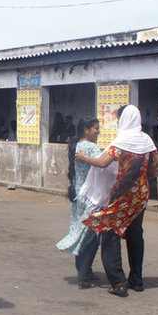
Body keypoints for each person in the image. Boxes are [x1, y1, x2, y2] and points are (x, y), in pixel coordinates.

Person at [76, 105, 158, 297]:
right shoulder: (147, 140)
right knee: (135, 235)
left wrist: (84, 157)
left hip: (123, 196)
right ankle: (136, 280)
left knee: (109, 234)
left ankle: (118, 281)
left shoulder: (122, 141)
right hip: (141, 196)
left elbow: (103, 162)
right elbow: (156, 165)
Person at [56, 118, 101, 289]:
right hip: (90, 196)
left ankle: (85, 270)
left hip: (78, 195)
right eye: (96, 128)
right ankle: (83, 275)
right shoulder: (91, 148)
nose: (98, 132)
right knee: (89, 237)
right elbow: (103, 164)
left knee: (81, 232)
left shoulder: (76, 145)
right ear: (86, 130)